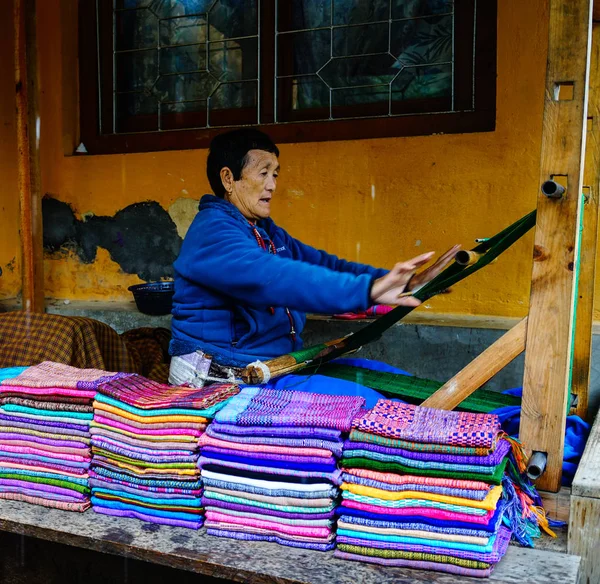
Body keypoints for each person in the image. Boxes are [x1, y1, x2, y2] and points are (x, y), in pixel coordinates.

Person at [169, 128, 458, 387]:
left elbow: (321, 264)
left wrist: (397, 283)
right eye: (263, 173)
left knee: (393, 382)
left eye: (275, 174)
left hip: (272, 367)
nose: (272, 185)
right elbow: (271, 276)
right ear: (228, 178)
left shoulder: (267, 233)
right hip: (224, 374)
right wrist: (365, 291)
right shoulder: (212, 231)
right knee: (366, 402)